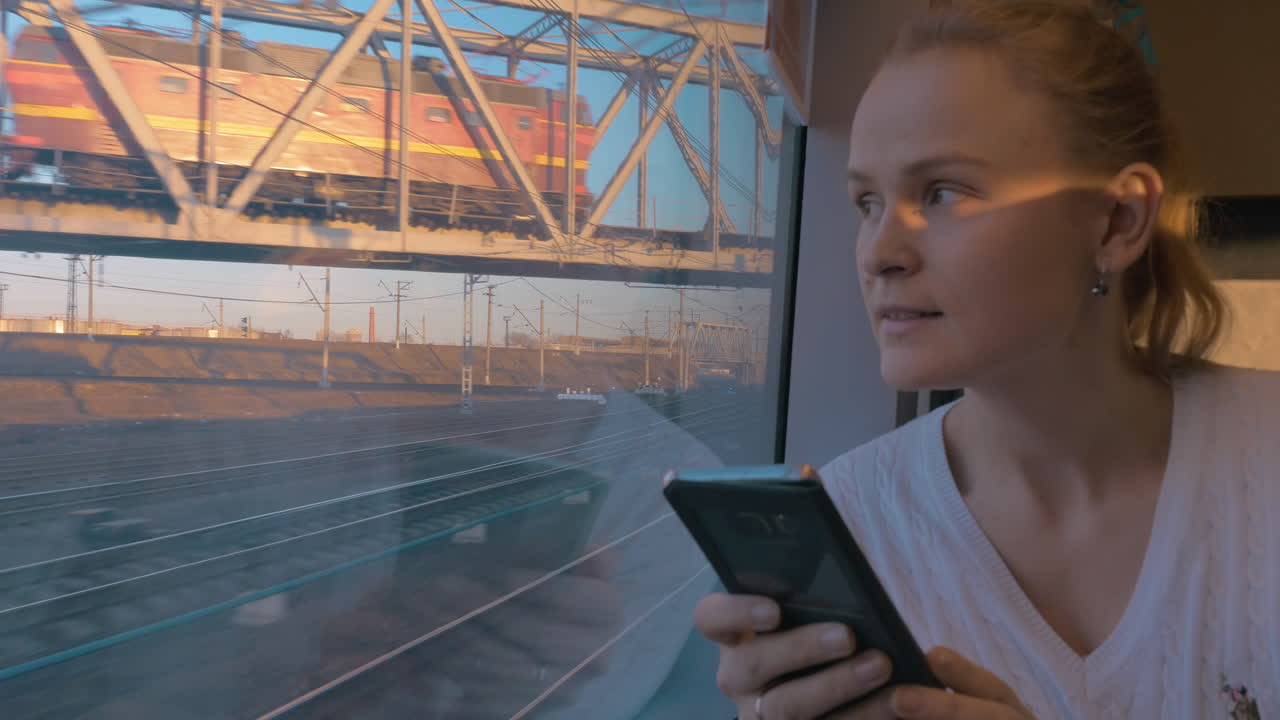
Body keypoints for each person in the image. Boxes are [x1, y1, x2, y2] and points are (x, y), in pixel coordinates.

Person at [695, 2, 1280, 718]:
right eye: (866, 202)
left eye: (942, 192)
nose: (879, 253)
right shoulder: (853, 525)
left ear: (1118, 221)